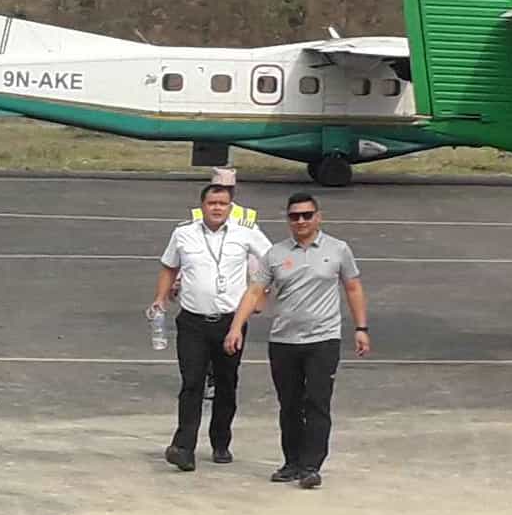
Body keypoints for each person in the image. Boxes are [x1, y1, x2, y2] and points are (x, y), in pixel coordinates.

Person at [230, 191, 367, 488]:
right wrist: (235, 327)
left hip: (323, 339)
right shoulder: (276, 254)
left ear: (318, 217)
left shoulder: (338, 249)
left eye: (307, 215)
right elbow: (255, 292)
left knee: (317, 402)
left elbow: (353, 288)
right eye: (295, 216)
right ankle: (291, 462)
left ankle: (311, 466)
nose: (301, 221)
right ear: (288, 220)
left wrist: (361, 328)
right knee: (289, 404)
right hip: (284, 342)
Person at [149, 169, 269, 470]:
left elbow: (271, 262)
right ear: (202, 206)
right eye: (212, 203)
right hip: (192, 322)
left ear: (231, 207)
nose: (217, 208)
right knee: (192, 383)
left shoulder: (246, 233)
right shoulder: (183, 233)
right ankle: (184, 447)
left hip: (230, 323)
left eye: (223, 204)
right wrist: (161, 298)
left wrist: (260, 294)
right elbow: (168, 267)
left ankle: (220, 441)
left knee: (226, 384)